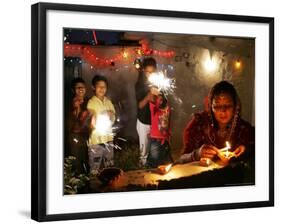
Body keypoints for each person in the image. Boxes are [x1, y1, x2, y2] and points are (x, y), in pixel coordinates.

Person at [178, 81, 254, 165]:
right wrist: (196, 154)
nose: (223, 112)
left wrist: (246, 150)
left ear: (235, 107)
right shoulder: (199, 123)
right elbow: (181, 160)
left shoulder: (244, 129)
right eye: (217, 107)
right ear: (211, 107)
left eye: (228, 106)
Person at [87, 75, 116, 174]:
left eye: (104, 87)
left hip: (108, 139)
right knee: (95, 168)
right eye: (99, 86)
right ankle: (93, 186)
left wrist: (111, 115)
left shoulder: (108, 102)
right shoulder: (91, 103)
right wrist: (93, 119)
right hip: (96, 141)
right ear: (93, 88)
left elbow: (113, 118)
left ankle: (110, 184)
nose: (102, 89)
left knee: (109, 166)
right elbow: (89, 121)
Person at [135, 57, 159, 167]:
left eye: (152, 72)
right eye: (147, 72)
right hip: (143, 122)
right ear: (144, 71)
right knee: (143, 152)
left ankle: (151, 170)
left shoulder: (158, 84)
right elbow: (139, 105)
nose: (150, 74)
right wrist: (148, 97)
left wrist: (157, 97)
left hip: (154, 122)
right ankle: (142, 172)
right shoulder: (139, 84)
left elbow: (159, 103)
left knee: (153, 150)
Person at [67, 77, 90, 174]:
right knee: (76, 163)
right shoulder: (69, 103)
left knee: (87, 161)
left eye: (83, 87)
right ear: (73, 90)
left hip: (87, 136)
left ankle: (87, 185)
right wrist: (77, 108)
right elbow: (72, 123)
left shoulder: (89, 101)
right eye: (78, 87)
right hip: (74, 137)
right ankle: (76, 185)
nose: (81, 89)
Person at [146, 92, 173, 168]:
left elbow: (168, 123)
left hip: (165, 140)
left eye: (162, 99)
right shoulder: (154, 110)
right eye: (159, 99)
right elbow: (152, 101)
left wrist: (169, 135)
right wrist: (154, 93)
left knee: (169, 163)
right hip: (156, 141)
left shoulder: (168, 109)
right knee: (153, 164)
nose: (160, 101)